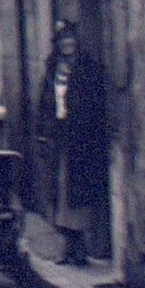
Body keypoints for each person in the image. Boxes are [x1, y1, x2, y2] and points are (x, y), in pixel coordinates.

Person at [37, 21, 107, 265]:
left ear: (76, 42)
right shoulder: (52, 69)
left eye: (70, 39)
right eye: (62, 40)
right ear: (57, 44)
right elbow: (44, 102)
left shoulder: (88, 69)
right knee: (60, 190)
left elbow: (94, 104)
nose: (67, 44)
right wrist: (44, 131)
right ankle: (69, 246)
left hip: (81, 140)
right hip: (59, 138)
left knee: (78, 194)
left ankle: (79, 248)